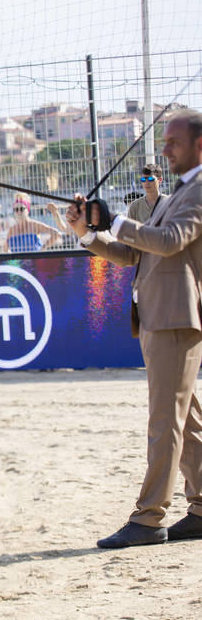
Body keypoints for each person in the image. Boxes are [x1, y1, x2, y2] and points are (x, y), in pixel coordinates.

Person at [65, 109, 202, 549]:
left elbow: (168, 241)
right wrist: (88, 232)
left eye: (174, 142)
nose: (164, 150)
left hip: (175, 318)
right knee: (187, 418)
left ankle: (149, 518)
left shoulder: (198, 191)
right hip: (160, 318)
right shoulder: (178, 192)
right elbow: (135, 254)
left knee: (166, 421)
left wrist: (116, 221)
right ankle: (200, 508)